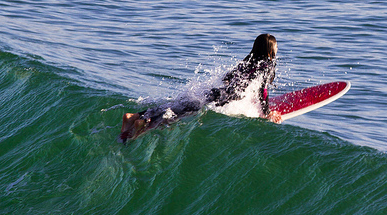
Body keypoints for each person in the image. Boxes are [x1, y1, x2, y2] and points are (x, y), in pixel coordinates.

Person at [119, 34, 282, 142]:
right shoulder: (266, 66)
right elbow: (262, 91)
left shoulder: (246, 63)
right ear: (270, 51)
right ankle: (144, 127)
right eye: (275, 48)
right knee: (175, 117)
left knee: (176, 107)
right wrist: (267, 112)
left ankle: (135, 117)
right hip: (222, 99)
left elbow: (227, 78)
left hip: (214, 93)